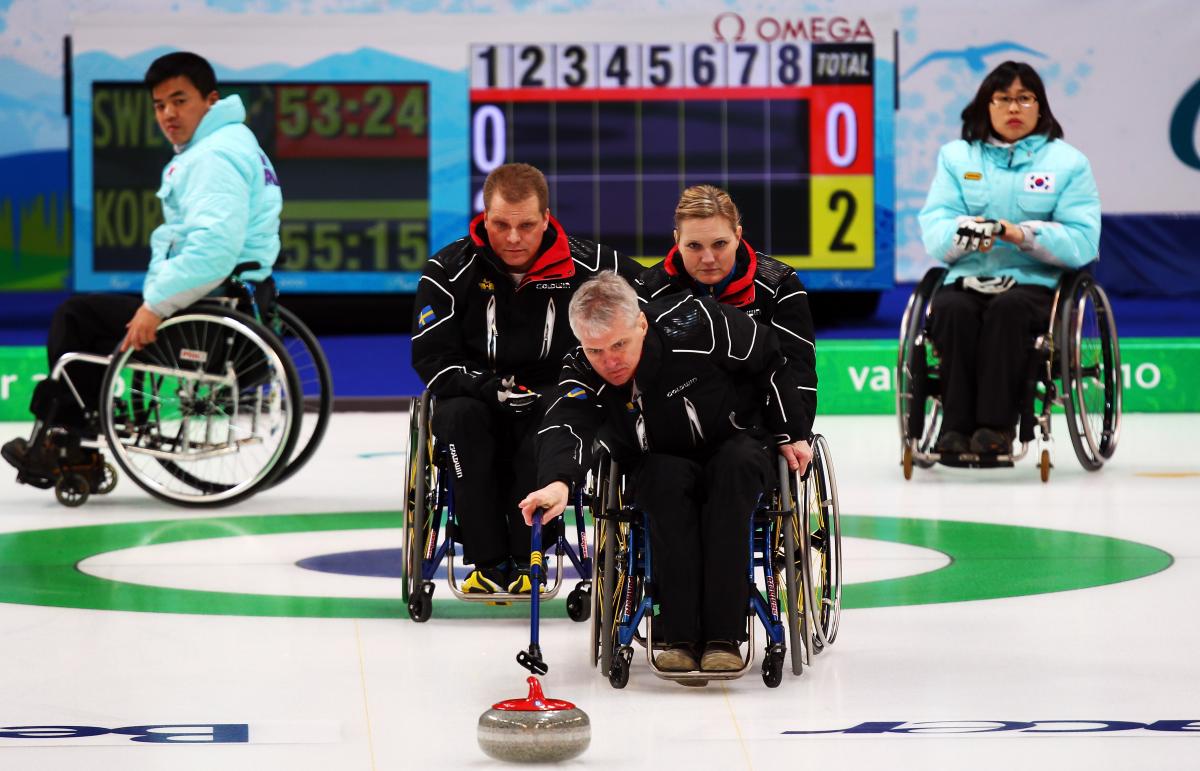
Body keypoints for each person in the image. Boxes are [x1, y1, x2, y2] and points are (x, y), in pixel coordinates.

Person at [2, 51, 282, 484]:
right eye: (159, 104)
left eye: (179, 100)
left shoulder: (213, 158)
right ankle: (73, 441)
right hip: (226, 303)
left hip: (207, 319)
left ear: (210, 100)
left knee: (76, 318)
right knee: (90, 319)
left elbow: (213, 250)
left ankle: (68, 441)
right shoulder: (232, 143)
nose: (168, 113)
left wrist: (154, 307)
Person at [519, 272, 811, 678]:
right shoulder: (581, 369)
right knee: (662, 483)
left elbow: (770, 359)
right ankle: (677, 637)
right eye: (596, 350)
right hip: (656, 458)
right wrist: (558, 482)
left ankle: (724, 637)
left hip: (733, 440)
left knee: (735, 470)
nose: (610, 361)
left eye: (619, 344)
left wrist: (790, 432)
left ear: (641, 323)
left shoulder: (699, 322)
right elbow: (565, 424)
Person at [410, 162, 641, 594]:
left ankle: (527, 557)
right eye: (500, 224)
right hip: (474, 393)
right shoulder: (446, 272)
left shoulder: (592, 266)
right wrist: (485, 386)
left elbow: (657, 295)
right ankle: (488, 562)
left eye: (526, 225)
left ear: (547, 218)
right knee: (458, 420)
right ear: (483, 217)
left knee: (557, 419)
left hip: (557, 391)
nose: (513, 238)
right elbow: (431, 359)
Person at [917, 60, 1100, 455]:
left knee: (1008, 312)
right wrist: (967, 235)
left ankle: (996, 429)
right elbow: (936, 229)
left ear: (1040, 106)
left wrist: (1021, 234)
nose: (1014, 109)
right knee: (951, 311)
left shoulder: (1068, 163)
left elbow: (1083, 240)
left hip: (1034, 282)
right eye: (1003, 99)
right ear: (987, 105)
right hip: (968, 275)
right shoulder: (957, 157)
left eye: (1024, 98)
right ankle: (954, 428)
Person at [636, 184, 817, 474]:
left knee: (737, 465)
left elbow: (798, 370)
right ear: (677, 241)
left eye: (719, 244)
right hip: (674, 432)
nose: (708, 259)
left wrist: (794, 432)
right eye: (694, 246)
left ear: (738, 236)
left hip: (753, 431)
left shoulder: (779, 286)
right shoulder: (648, 292)